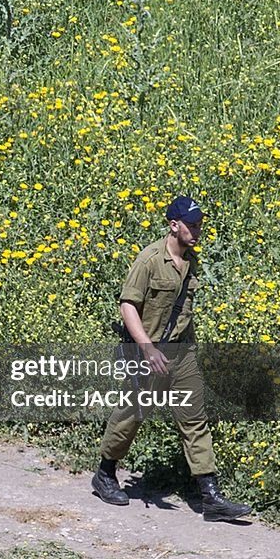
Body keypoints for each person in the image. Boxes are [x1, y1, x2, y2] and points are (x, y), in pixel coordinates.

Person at [92, 196, 253, 522]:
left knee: (194, 419)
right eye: (191, 225)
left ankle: (210, 497)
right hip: (148, 353)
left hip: (182, 354)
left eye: (199, 225)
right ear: (173, 225)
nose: (197, 231)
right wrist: (147, 348)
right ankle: (105, 473)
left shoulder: (191, 260)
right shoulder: (149, 260)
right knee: (132, 414)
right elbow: (127, 307)